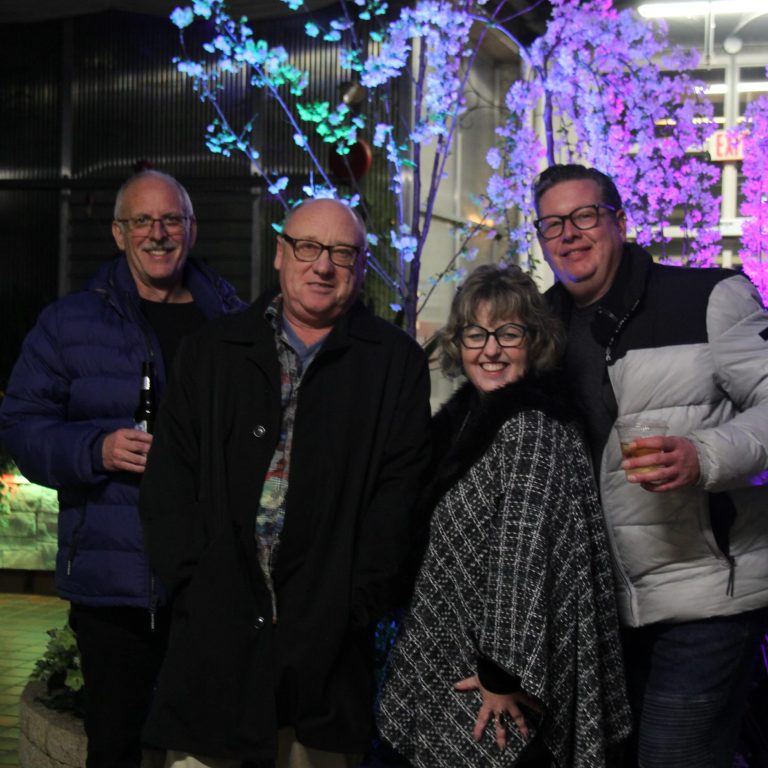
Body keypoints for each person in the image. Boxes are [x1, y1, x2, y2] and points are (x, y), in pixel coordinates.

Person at [137, 198, 431, 768]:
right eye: (308, 247)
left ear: (361, 267)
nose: (323, 266)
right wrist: (197, 585)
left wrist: (354, 604)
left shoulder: (394, 363)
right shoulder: (210, 352)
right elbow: (169, 483)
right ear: (280, 253)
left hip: (326, 655)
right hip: (212, 646)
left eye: (343, 253)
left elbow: (401, 499)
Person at [0, 170, 245, 768]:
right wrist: (96, 449)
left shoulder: (233, 320)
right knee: (117, 747)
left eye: (171, 221)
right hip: (116, 583)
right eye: (143, 221)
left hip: (211, 577)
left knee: (208, 749)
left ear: (191, 229)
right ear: (118, 232)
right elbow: (21, 427)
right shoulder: (69, 324)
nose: (157, 234)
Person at [534, 163, 768, 768]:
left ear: (619, 221)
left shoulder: (709, 297)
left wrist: (706, 454)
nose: (570, 234)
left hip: (708, 591)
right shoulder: (539, 329)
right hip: (597, 608)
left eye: (585, 216)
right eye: (554, 223)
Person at [377, 264, 631, 768]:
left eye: (508, 333)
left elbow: (522, 560)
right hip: (463, 658)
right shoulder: (467, 419)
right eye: (476, 333)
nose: (490, 349)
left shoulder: (528, 429)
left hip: (497, 683)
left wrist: (501, 676)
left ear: (533, 341)